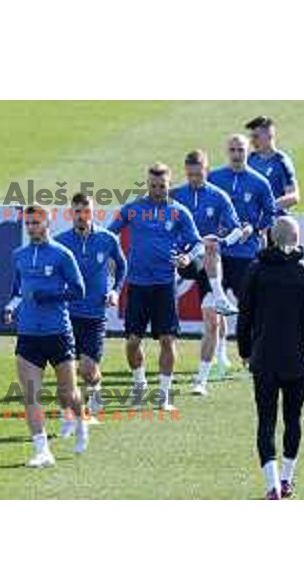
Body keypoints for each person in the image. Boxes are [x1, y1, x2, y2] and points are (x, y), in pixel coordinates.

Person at [237, 216, 304, 499]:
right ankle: (287, 479)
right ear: (297, 239)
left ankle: (272, 485)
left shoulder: (256, 270)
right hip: (296, 360)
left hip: (263, 358)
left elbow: (245, 316)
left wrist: (244, 351)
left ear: (270, 238)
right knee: (293, 419)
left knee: (265, 421)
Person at [108, 162, 203, 410]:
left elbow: (198, 244)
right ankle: (139, 385)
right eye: (153, 185)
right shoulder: (133, 208)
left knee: (167, 341)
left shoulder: (179, 212)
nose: (157, 190)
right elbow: (109, 235)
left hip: (164, 285)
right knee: (132, 342)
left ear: (169, 184)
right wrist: (111, 257)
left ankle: (163, 394)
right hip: (137, 285)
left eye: (162, 186)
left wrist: (187, 258)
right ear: (146, 183)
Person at [3, 206, 88, 466]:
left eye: (36, 223)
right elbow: (18, 290)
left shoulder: (63, 255)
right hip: (28, 334)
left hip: (58, 332)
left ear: (47, 224)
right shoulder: (19, 255)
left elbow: (79, 290)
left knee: (67, 394)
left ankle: (81, 421)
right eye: (27, 223)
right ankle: (42, 451)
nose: (30, 227)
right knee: (30, 394)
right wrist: (9, 308)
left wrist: (50, 296)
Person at [170, 149, 243, 396]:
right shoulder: (175, 195)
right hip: (183, 260)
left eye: (198, 174)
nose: (194, 179)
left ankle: (201, 380)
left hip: (207, 260)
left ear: (206, 170)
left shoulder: (219, 196)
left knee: (211, 321)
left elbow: (236, 228)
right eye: (190, 175)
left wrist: (223, 241)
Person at [208, 134, 276, 374]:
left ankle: (252, 354)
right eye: (233, 150)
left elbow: (270, 213)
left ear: (249, 152)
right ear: (227, 152)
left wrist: (254, 228)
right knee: (216, 306)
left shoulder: (259, 182)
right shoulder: (214, 177)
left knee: (250, 308)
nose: (237, 155)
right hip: (218, 253)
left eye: (241, 150)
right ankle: (220, 354)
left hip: (247, 254)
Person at [55, 193, 127, 419]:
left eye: (86, 212)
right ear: (71, 214)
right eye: (77, 212)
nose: (81, 216)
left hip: (95, 315)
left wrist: (115, 290)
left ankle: (95, 390)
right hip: (66, 315)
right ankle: (71, 415)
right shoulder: (60, 241)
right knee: (66, 370)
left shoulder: (107, 239)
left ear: (93, 213)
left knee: (88, 370)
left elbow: (122, 266)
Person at [245, 115, 300, 215]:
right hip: (253, 223)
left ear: (269, 135)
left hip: (275, 222)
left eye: (256, 136)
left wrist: (269, 207)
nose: (252, 141)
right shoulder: (250, 160)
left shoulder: (281, 161)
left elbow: (294, 196)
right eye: (251, 137)